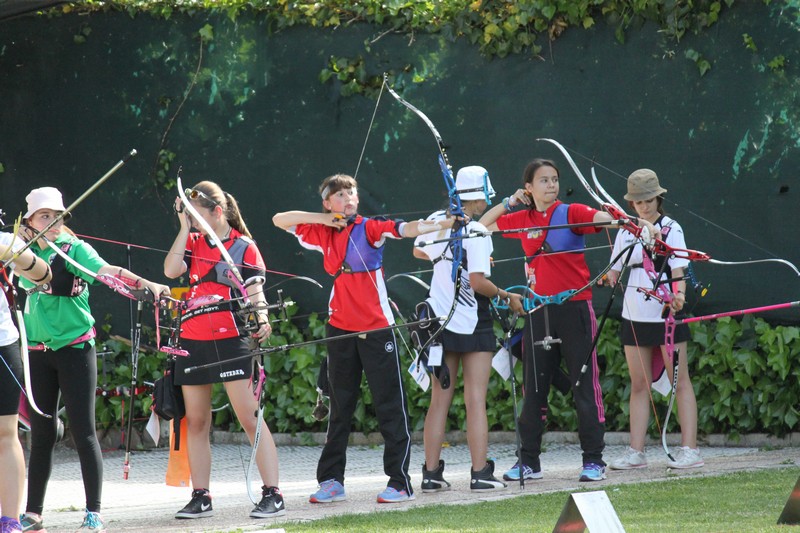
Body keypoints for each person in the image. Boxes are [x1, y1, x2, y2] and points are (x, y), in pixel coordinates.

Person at [272, 173, 460, 504]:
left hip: (376, 328)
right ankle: (332, 480)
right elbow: (279, 219)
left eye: (351, 193)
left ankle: (399, 482)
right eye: (339, 195)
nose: (347, 198)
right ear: (327, 203)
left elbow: (406, 229)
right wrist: (324, 219)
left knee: (389, 404)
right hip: (340, 328)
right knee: (340, 407)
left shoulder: (370, 228)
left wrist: (446, 223)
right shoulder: (321, 231)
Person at [16, 187, 170, 533]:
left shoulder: (75, 249)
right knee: (41, 434)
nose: (52, 222)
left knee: (84, 431)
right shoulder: (22, 250)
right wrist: (18, 242)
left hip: (75, 349)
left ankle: (93, 512)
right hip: (38, 352)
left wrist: (145, 282)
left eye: (57, 216)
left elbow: (107, 271)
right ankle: (33, 513)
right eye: (44, 216)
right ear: (29, 221)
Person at [479, 158, 623, 483]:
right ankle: (528, 462)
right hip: (537, 311)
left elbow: (601, 219)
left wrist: (621, 220)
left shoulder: (571, 213)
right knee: (534, 388)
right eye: (543, 180)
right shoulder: (522, 218)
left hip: (574, 310)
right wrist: (508, 202)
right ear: (528, 187)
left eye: (554, 179)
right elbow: (483, 227)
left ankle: (593, 460)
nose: (551, 185)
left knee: (584, 385)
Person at [163, 180, 286, 519]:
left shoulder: (244, 246)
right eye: (189, 215)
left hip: (232, 339)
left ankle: (273, 494)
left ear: (218, 212)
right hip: (193, 338)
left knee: (249, 416)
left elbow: (255, 290)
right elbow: (171, 270)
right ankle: (201, 496)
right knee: (197, 420)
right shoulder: (192, 242)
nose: (193, 221)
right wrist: (184, 227)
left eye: (196, 215)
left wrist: (262, 317)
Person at [412, 166, 524, 492]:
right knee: (475, 399)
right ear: (480, 197)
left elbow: (418, 249)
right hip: (474, 323)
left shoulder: (439, 220)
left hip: (438, 323)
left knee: (439, 401)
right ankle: (480, 474)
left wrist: (447, 257)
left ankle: (430, 475)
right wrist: (506, 295)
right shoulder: (476, 231)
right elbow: (478, 283)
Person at [603, 169, 703, 470]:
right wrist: (607, 278)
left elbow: (678, 270)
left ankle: (690, 450)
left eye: (648, 200)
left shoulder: (671, 228)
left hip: (665, 314)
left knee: (680, 382)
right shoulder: (626, 230)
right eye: (638, 202)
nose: (644, 207)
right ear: (631, 204)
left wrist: (679, 296)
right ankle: (636, 452)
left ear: (658, 199)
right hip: (634, 315)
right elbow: (614, 271)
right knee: (639, 384)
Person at [0, 228, 52, 533]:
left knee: (6, 433)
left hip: (3, 344)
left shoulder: (4, 240)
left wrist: (16, 255)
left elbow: (43, 275)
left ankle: (10, 521)